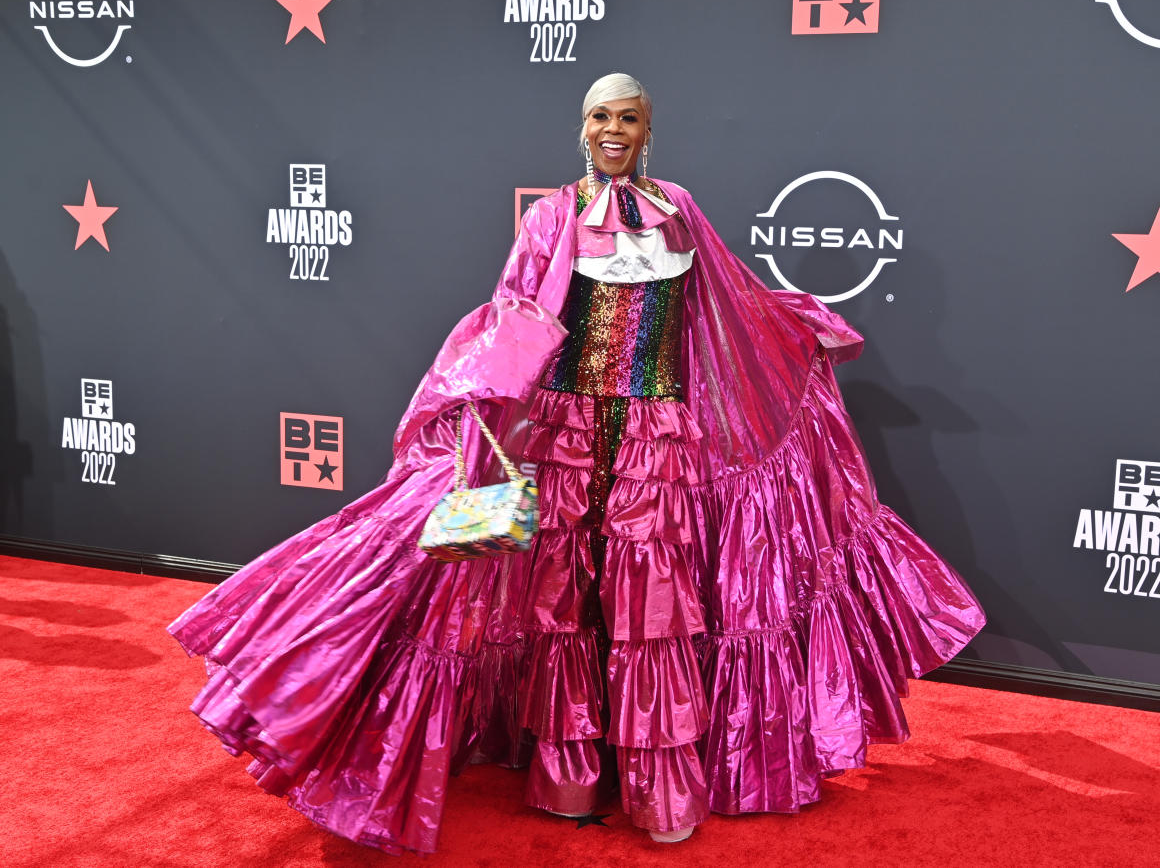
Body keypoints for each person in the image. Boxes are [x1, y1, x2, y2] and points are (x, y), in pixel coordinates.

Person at [169, 72, 986, 854]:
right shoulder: (554, 217)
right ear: (582, 129)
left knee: (648, 609)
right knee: (564, 599)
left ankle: (659, 790)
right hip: (564, 436)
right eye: (600, 117)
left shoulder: (681, 211)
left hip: (654, 441)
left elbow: (728, 305)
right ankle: (568, 779)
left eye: (628, 118)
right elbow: (518, 313)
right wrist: (479, 395)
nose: (613, 132)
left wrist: (795, 329)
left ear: (649, 130)